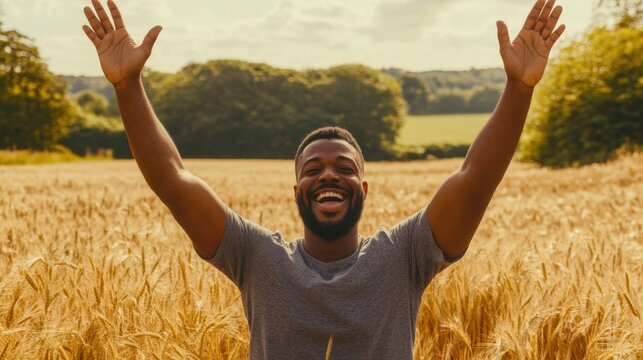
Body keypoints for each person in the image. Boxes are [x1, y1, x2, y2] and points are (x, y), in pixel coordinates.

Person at [82, 0, 565, 358]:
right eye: (312, 169)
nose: (328, 175)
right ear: (296, 191)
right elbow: (173, 179)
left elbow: (475, 178)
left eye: (344, 168)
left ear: (364, 188)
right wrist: (128, 86)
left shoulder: (404, 257)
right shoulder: (257, 258)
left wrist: (518, 89)